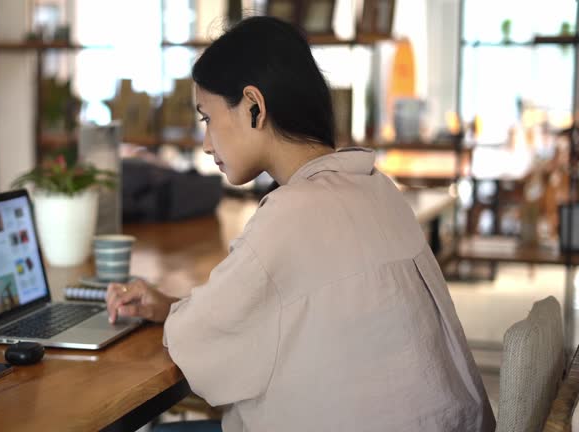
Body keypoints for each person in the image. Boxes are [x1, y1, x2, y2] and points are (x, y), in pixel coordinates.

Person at [106, 16, 495, 432]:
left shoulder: (290, 214)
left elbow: (199, 345)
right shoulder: (377, 187)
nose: (205, 144)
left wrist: (175, 317)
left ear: (254, 107)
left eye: (206, 118)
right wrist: (171, 307)